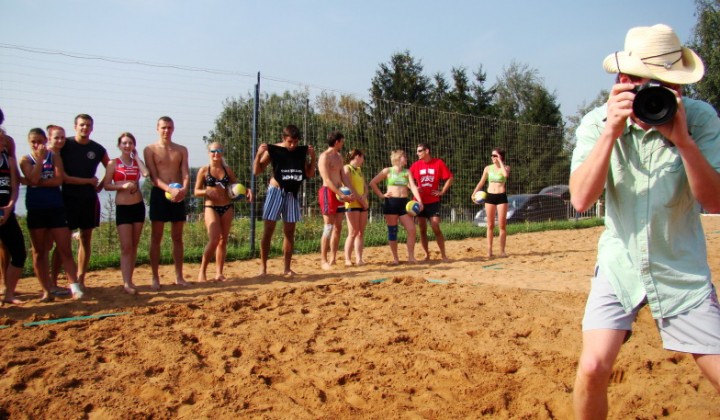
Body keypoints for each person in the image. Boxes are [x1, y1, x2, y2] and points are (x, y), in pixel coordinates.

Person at [569, 24, 720, 418]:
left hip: (680, 269)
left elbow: (715, 202)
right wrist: (610, 132)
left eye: (670, 85)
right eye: (648, 84)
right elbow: (581, 200)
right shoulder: (597, 123)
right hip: (620, 266)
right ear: (624, 81)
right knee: (592, 368)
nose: (660, 94)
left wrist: (683, 140)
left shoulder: (699, 119)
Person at [20, 128, 83, 301]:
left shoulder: (54, 157)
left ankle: (75, 287)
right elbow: (32, 178)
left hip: (56, 207)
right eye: (33, 142)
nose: (37, 145)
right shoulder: (25, 159)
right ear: (29, 143)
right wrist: (39, 161)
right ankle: (46, 290)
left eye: (40, 141)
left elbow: (58, 180)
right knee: (39, 251)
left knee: (64, 248)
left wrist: (35, 182)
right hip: (36, 208)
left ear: (45, 140)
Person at [253, 124, 316, 277]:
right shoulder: (274, 150)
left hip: (292, 194)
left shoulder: (300, 152)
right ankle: (263, 268)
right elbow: (257, 171)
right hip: (275, 191)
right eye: (289, 142)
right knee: (268, 230)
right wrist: (258, 154)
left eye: (295, 142)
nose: (292, 145)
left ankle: (287, 268)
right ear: (283, 139)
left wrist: (313, 157)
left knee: (289, 232)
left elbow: (309, 173)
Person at [61, 114, 109, 291]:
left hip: (89, 199)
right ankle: (58, 280)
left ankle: (81, 278)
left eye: (88, 125)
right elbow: (61, 175)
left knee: (85, 238)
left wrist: (101, 185)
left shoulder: (97, 149)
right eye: (82, 125)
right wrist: (88, 181)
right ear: (75, 126)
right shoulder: (65, 144)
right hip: (67, 198)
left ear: (92, 128)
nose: (85, 128)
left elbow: (111, 167)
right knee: (62, 241)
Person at [194, 142, 253, 282]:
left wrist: (247, 191)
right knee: (214, 239)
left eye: (219, 150)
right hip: (211, 207)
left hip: (227, 206)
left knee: (223, 240)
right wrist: (206, 191)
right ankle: (202, 271)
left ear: (222, 152)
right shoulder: (204, 170)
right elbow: (195, 191)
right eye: (213, 151)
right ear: (209, 153)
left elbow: (236, 187)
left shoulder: (227, 170)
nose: (216, 154)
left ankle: (219, 273)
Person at [144, 116, 190, 290]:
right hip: (160, 193)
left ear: (173, 129)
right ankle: (155, 277)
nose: (166, 130)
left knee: (177, 237)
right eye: (163, 127)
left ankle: (179, 276)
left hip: (178, 194)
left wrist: (184, 189)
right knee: (156, 237)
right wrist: (169, 189)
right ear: (157, 128)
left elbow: (185, 172)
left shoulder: (181, 149)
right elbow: (154, 178)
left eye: (169, 127)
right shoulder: (150, 149)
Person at [103, 132, 149, 294]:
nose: (127, 146)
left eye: (130, 143)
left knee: (134, 245)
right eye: (124, 143)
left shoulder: (137, 162)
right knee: (126, 247)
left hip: (138, 206)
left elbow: (146, 174)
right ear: (119, 145)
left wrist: (137, 158)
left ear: (134, 145)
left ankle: (130, 279)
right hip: (123, 207)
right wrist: (121, 186)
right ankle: (126, 283)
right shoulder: (113, 163)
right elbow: (106, 185)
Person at [369, 149, 423, 265]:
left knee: (412, 229)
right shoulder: (388, 170)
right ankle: (395, 258)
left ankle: (411, 257)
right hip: (391, 203)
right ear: (398, 158)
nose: (406, 159)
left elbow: (413, 187)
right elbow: (372, 183)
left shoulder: (407, 172)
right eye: (404, 157)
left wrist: (419, 201)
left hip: (404, 204)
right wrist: (381, 195)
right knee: (393, 231)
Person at [409, 143, 453, 261]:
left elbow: (450, 178)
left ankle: (443, 255)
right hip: (419, 202)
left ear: (427, 151)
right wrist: (413, 187)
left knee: (435, 225)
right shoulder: (416, 165)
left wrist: (442, 191)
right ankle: (426, 255)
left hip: (433, 201)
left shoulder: (438, 163)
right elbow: (406, 179)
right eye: (417, 151)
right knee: (422, 228)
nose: (417, 153)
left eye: (419, 151)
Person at [317, 131, 353, 270]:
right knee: (328, 226)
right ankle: (323, 260)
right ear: (337, 141)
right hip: (328, 192)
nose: (343, 144)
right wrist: (340, 194)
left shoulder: (338, 156)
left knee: (338, 226)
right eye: (342, 141)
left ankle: (333, 258)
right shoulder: (324, 156)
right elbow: (326, 179)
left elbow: (343, 177)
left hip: (340, 193)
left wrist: (352, 192)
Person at [0, 127, 26, 304]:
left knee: (19, 253)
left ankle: (9, 294)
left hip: (6, 212)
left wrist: (9, 207)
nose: (2, 142)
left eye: (2, 139)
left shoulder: (8, 160)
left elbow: (15, 188)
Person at [472, 148, 510, 258]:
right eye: (492, 155)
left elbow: (505, 175)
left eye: (495, 155)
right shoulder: (488, 168)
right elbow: (481, 182)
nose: (492, 157)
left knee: (502, 225)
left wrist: (500, 161)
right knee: (490, 225)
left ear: (500, 157)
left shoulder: (506, 167)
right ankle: (489, 250)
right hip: (490, 197)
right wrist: (474, 193)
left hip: (501, 197)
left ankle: (502, 251)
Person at [46, 125, 70, 296]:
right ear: (49, 138)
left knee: (61, 245)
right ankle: (48, 285)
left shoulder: (62, 153)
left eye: (62, 137)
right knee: (45, 246)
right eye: (56, 137)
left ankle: (53, 282)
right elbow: (61, 178)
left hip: (61, 203)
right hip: (45, 204)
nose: (60, 140)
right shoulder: (47, 155)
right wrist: (89, 181)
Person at [342, 148, 369, 266]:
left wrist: (365, 196)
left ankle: (359, 259)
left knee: (360, 233)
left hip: (363, 202)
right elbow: (349, 186)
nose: (363, 160)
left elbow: (365, 187)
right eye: (362, 157)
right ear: (357, 156)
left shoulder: (359, 170)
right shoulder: (347, 168)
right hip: (352, 203)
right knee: (353, 232)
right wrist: (360, 199)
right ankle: (347, 259)